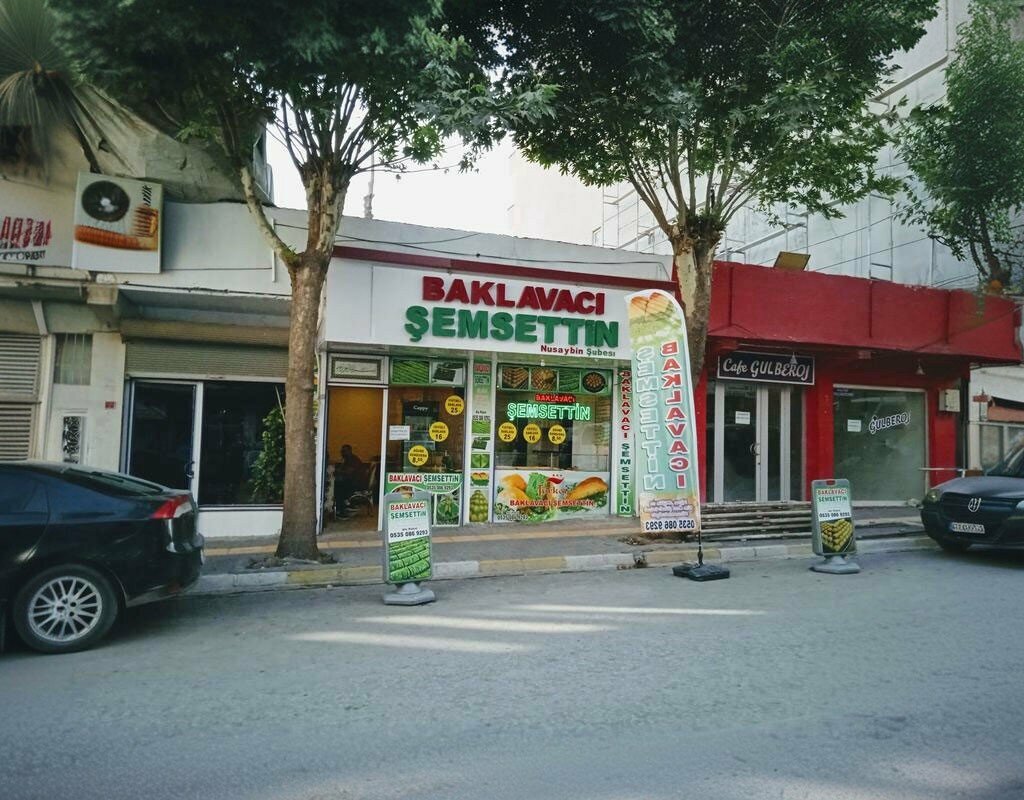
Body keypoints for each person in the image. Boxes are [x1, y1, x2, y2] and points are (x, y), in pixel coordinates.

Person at [334, 444, 366, 514]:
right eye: (341, 451)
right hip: (352, 481)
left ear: (349, 451)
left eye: (344, 451)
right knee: (337, 484)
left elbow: (348, 472)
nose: (342, 453)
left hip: (357, 483)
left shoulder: (353, 459)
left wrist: (337, 471)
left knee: (338, 486)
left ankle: (342, 508)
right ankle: (342, 507)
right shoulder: (347, 459)